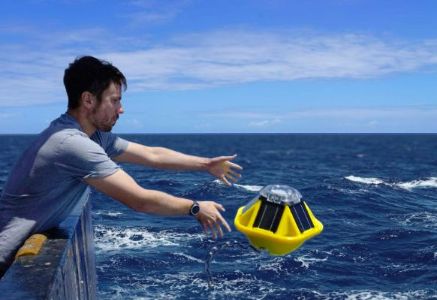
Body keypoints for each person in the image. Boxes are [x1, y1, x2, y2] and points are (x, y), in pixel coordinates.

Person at [0, 56, 242, 277]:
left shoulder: (91, 136)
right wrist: (196, 208)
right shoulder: (72, 144)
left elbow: (152, 154)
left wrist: (206, 165)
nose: (121, 109)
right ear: (88, 100)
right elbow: (139, 200)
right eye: (114, 101)